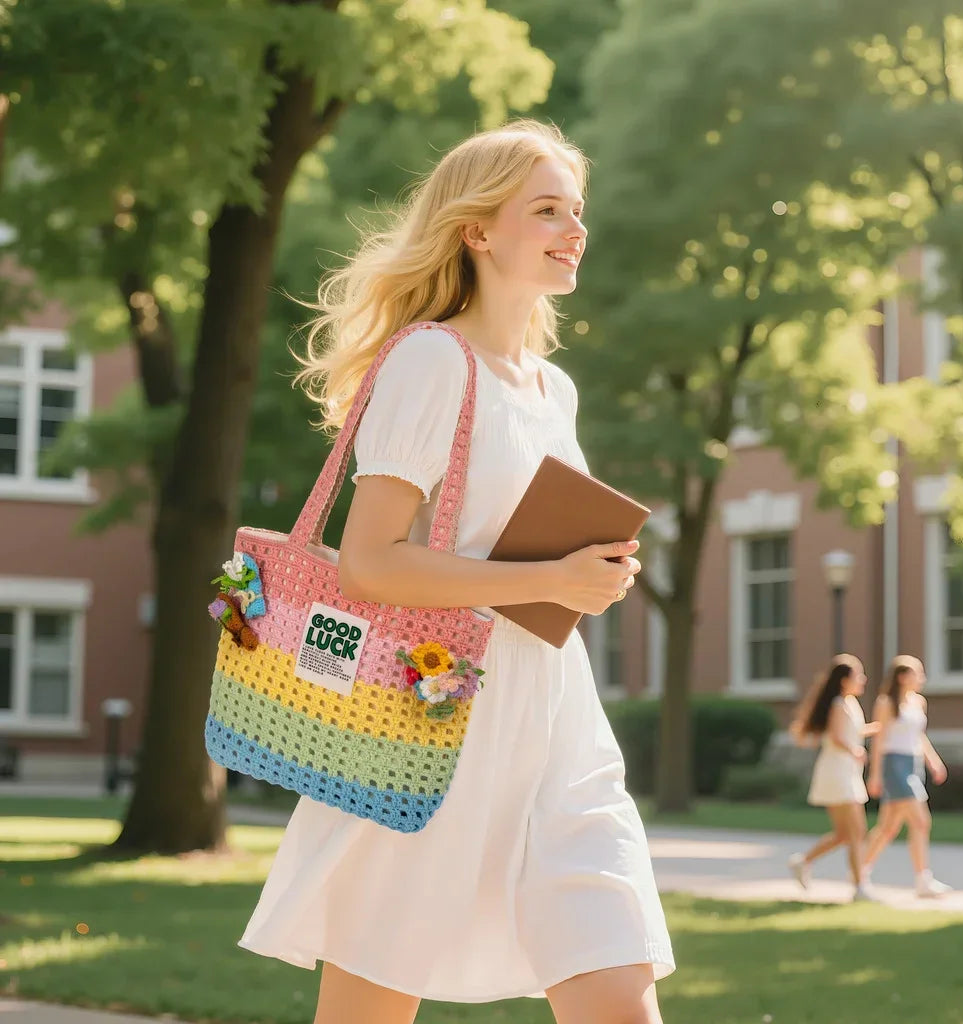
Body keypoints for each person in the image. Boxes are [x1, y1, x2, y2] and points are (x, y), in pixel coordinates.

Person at [237, 121, 675, 1024]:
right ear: (477, 229)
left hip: (557, 721)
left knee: (619, 983)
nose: (574, 229)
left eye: (577, 211)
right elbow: (369, 562)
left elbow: (531, 555)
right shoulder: (432, 361)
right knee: (367, 1008)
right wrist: (548, 581)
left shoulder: (554, 388)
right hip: (430, 721)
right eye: (547, 210)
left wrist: (588, 576)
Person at [787, 654, 878, 901]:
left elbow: (853, 732)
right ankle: (859, 887)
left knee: (844, 834)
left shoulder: (850, 703)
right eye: (858, 675)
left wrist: (878, 728)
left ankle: (803, 861)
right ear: (844, 680)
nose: (863, 679)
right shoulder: (838, 704)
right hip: (838, 772)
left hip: (846, 771)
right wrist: (855, 751)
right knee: (857, 832)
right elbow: (837, 737)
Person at [863, 654, 952, 898]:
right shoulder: (886, 703)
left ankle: (860, 871)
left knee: (888, 828)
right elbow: (879, 739)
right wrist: (875, 775)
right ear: (902, 677)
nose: (922, 678)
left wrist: (933, 761)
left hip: (913, 764)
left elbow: (919, 736)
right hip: (893, 764)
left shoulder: (919, 702)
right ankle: (923, 880)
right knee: (921, 821)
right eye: (917, 673)